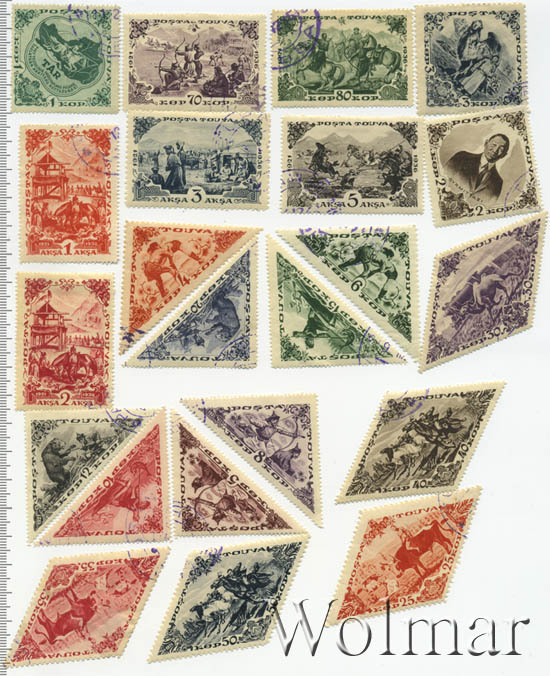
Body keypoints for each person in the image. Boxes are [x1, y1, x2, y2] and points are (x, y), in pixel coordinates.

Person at [444, 132, 510, 203]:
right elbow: (442, 177)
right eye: (494, 145)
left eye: (501, 149)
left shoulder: (498, 182)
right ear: (486, 143)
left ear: (504, 155)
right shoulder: (462, 157)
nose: (495, 150)